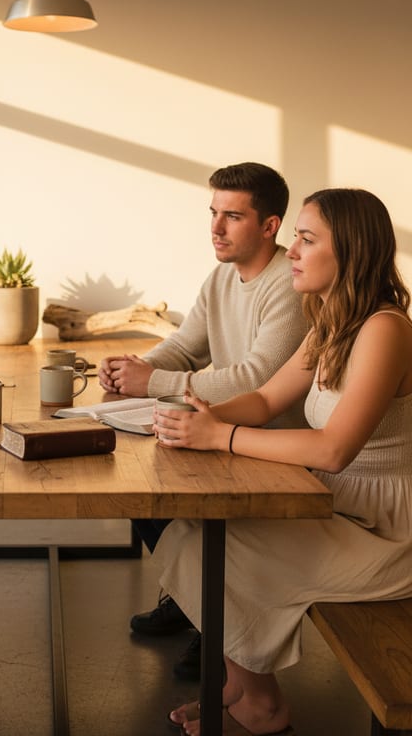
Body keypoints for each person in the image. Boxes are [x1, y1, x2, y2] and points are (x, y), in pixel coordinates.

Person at [154, 188, 412, 736]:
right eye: (295, 235)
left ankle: (263, 703)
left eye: (307, 238)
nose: (290, 250)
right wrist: (203, 414)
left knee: (221, 546)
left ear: (353, 251)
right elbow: (269, 399)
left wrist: (219, 436)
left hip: (387, 527)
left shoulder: (384, 329)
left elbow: (333, 449)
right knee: (192, 532)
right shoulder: (332, 319)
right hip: (340, 504)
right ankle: (237, 684)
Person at [99, 162, 309, 681]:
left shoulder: (289, 284)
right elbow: (186, 347)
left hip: (274, 447)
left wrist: (152, 383)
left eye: (232, 216)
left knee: (164, 486)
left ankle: (214, 622)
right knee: (139, 483)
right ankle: (193, 602)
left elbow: (257, 378)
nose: (215, 227)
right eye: (213, 213)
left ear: (270, 225)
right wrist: (135, 368)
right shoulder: (221, 276)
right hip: (228, 433)